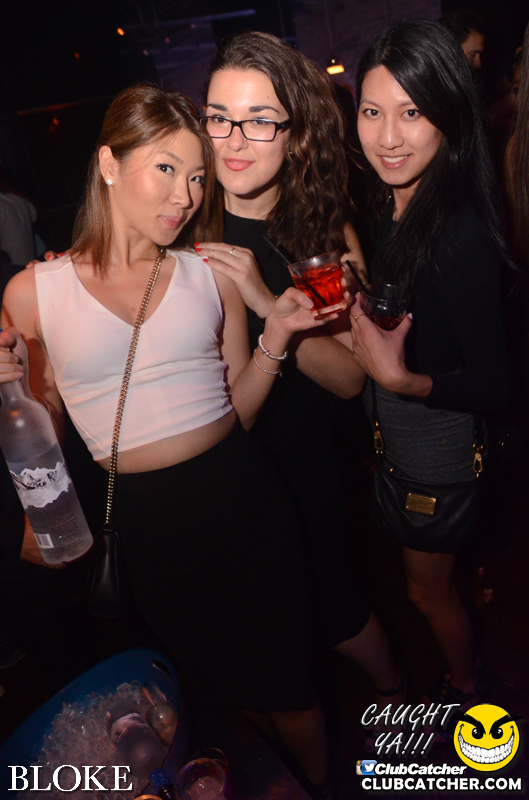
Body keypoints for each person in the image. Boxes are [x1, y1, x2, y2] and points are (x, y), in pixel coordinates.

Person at [0, 83, 339, 789]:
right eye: (166, 168)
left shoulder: (208, 273)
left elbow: (239, 413)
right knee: (217, 699)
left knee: (294, 691)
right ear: (109, 164)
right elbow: (44, 420)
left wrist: (276, 337)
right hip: (149, 537)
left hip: (248, 509)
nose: (185, 196)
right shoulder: (34, 291)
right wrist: (37, 501)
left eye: (196, 177)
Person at [192, 30, 405, 717]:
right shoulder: (184, 226)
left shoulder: (320, 237)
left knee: (330, 605)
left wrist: (265, 303)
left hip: (297, 461)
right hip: (216, 465)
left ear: (295, 134)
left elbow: (350, 380)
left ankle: (394, 697)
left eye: (259, 120)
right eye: (219, 117)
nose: (233, 140)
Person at [349, 19, 510, 712]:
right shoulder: (393, 201)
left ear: (447, 113)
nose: (388, 137)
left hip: (438, 449)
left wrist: (402, 381)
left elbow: (498, 384)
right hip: (402, 440)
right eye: (372, 111)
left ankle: (468, 683)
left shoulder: (457, 231)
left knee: (426, 592)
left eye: (411, 113)